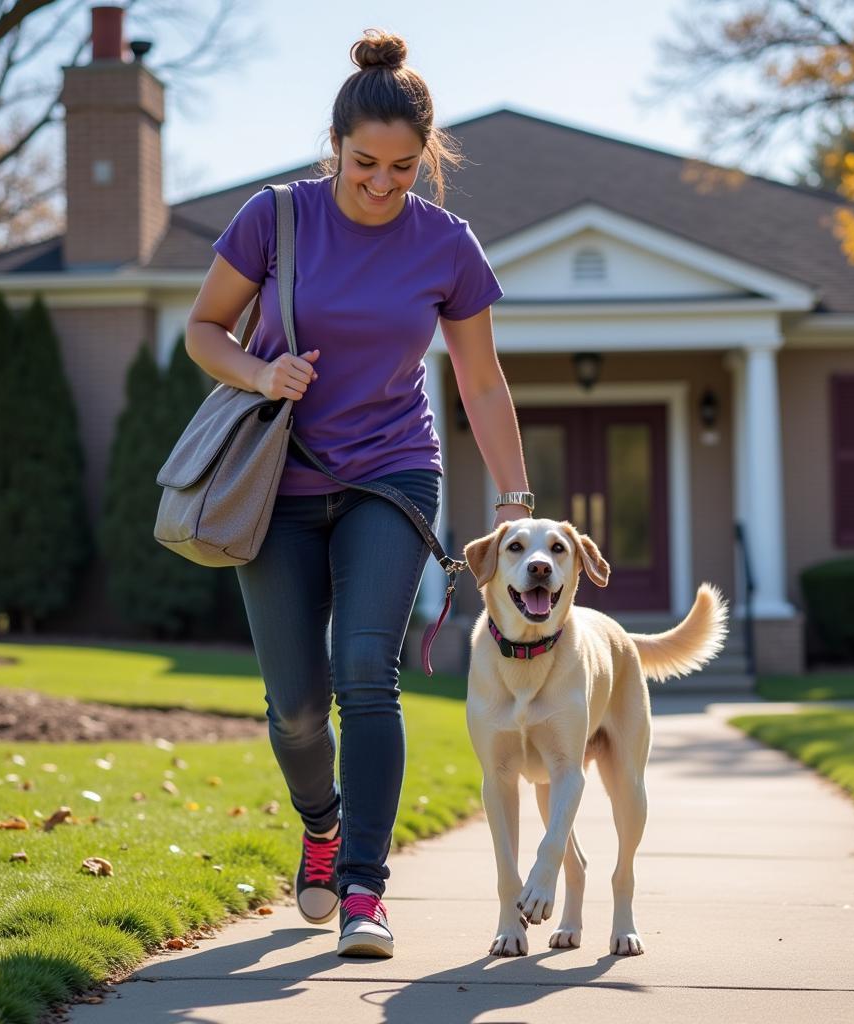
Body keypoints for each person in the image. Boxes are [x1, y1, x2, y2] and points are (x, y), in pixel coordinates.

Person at [184, 29, 534, 959]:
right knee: (295, 705)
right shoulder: (276, 218)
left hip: (390, 474)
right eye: (365, 164)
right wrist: (261, 377)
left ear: (429, 158)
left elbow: (482, 382)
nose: (383, 184)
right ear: (333, 146)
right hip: (276, 482)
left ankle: (366, 891)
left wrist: (514, 496)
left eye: (404, 168)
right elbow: (205, 329)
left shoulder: (447, 244)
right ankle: (320, 823)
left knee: (365, 675)